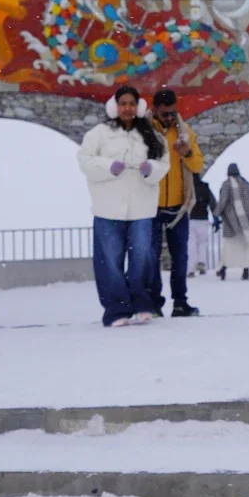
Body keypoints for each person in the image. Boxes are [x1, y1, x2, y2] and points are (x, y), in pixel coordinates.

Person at [77, 84, 169, 327]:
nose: (127, 108)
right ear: (115, 106)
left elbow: (164, 163)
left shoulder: (152, 135)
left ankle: (142, 303)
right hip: (107, 208)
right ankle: (117, 309)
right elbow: (84, 160)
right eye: (122, 103)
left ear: (138, 107)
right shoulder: (99, 133)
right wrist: (108, 167)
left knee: (142, 257)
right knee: (110, 260)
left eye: (131, 103)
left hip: (142, 208)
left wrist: (153, 169)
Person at [148, 89, 203, 316]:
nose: (170, 118)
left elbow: (198, 165)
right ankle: (153, 304)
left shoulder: (184, 132)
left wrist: (187, 153)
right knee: (150, 258)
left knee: (180, 258)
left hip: (179, 206)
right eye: (165, 114)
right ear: (155, 111)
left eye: (173, 113)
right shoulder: (144, 132)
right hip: (150, 205)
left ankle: (180, 302)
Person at [214, 163, 249, 280]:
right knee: (246, 247)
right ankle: (246, 271)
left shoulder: (226, 185)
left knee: (229, 248)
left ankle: (223, 270)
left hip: (233, 223)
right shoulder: (247, 185)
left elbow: (223, 202)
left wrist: (216, 215)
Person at [188, 173, 218, 277]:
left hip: (190, 219)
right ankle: (202, 263)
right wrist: (215, 217)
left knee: (191, 244)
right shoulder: (205, 187)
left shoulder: (188, 187)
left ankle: (191, 268)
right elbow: (213, 203)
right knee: (202, 243)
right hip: (203, 219)